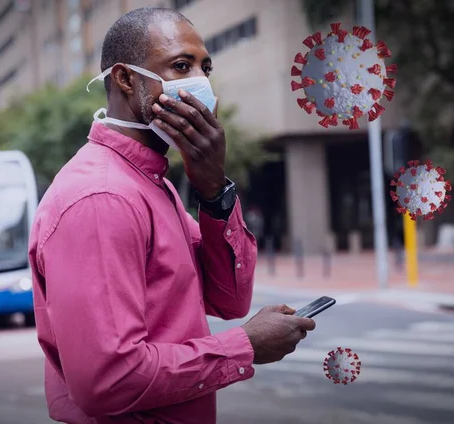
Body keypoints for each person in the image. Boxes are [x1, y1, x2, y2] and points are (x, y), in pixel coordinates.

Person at [28, 7, 316, 424]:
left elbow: (228, 299)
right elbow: (107, 379)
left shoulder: (150, 183)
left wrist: (213, 189)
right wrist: (245, 346)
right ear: (126, 79)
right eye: (181, 67)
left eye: (205, 68)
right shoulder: (103, 196)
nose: (200, 83)